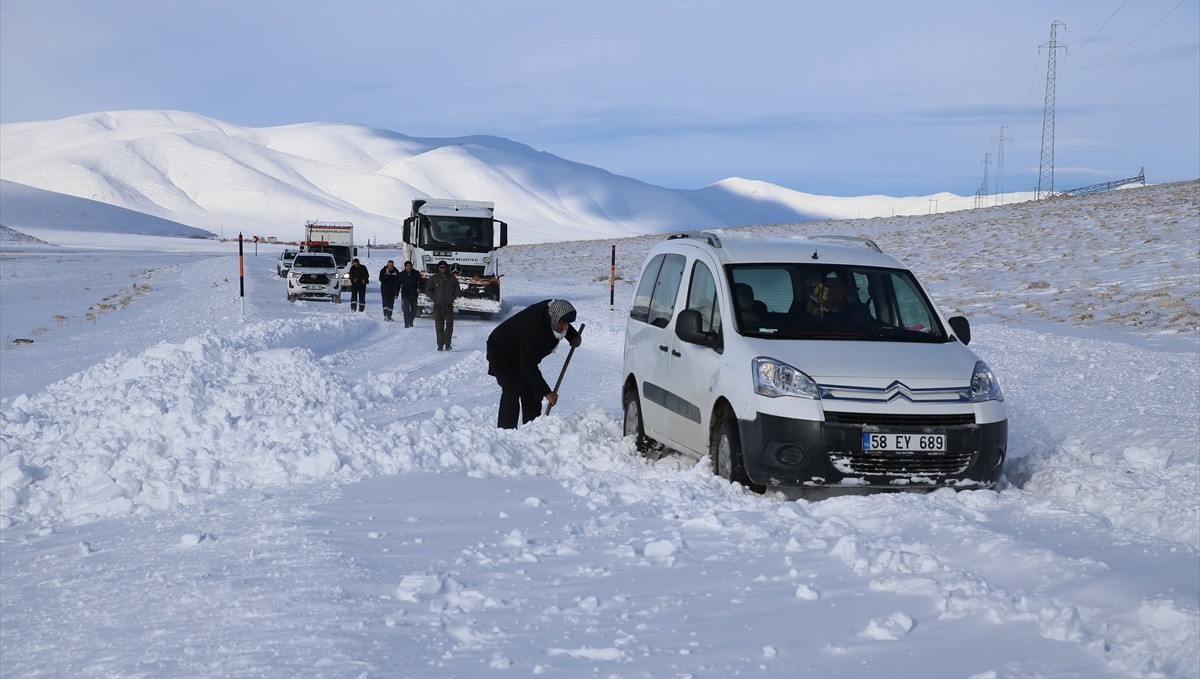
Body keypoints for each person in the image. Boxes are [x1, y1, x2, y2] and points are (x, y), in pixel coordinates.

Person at [486, 299, 582, 429]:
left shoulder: (553, 312)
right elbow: (528, 365)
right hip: (502, 350)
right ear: (554, 318)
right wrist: (547, 392)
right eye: (563, 323)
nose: (565, 327)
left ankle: (532, 430)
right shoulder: (535, 329)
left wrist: (573, 336)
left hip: (522, 349)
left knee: (532, 391)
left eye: (568, 324)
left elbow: (562, 319)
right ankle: (505, 432)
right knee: (512, 390)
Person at [804, 277, 871, 326]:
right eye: (830, 295)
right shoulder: (814, 321)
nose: (836, 298)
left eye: (839, 294)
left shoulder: (860, 311)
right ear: (820, 299)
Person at [425, 260, 460, 350]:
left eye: (444, 267)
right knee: (439, 326)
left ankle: (447, 344)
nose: (443, 269)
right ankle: (440, 345)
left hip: (448, 306)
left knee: (449, 325)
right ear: (438, 268)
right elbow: (428, 290)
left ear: (447, 268)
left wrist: (452, 298)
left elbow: (457, 289)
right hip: (438, 306)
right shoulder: (433, 278)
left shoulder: (452, 278)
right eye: (441, 267)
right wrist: (435, 298)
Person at [397, 260, 424, 328]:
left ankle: (411, 321)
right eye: (407, 266)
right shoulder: (401, 274)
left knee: (413, 309)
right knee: (406, 309)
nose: (408, 267)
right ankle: (406, 323)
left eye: (410, 266)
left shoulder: (416, 273)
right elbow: (398, 285)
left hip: (414, 294)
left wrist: (419, 288)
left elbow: (420, 282)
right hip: (405, 294)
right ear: (405, 267)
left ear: (412, 266)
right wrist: (396, 293)